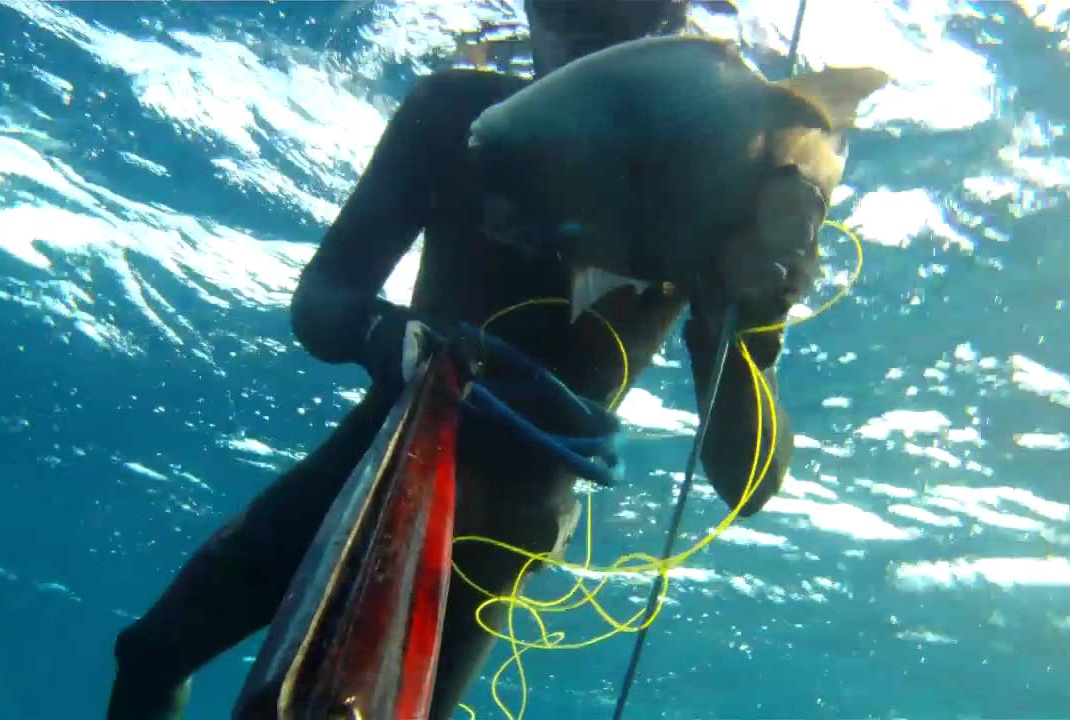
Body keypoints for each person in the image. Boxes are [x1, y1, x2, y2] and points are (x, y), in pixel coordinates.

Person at [108, 1, 803, 718]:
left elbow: (747, 480)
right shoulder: (456, 114)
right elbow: (322, 299)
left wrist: (747, 322)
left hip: (505, 517)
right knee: (152, 652)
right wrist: (390, 339)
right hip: (386, 450)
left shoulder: (731, 185)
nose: (593, 23)